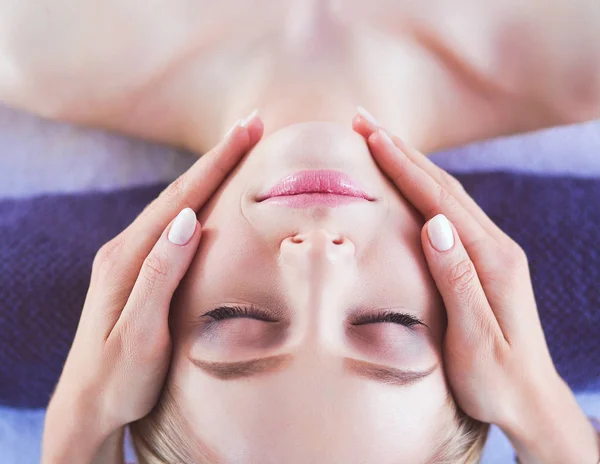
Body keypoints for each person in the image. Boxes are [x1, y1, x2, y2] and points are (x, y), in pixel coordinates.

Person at [1, 2, 598, 463]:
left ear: (146, 306)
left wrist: (76, 433)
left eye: (238, 320)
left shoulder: (22, 39)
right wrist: (551, 423)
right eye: (389, 325)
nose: (316, 260)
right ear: (482, 316)